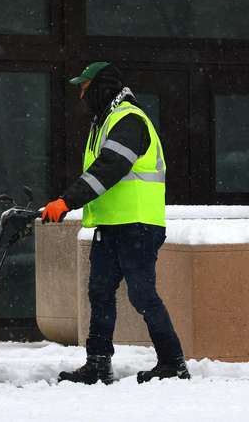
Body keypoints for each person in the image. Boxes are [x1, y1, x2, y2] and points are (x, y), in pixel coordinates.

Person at [41, 62, 190, 385]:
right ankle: (97, 363)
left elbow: (110, 168)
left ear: (102, 86)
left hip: (138, 224)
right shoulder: (105, 121)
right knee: (100, 292)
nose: (81, 94)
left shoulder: (129, 120)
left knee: (141, 294)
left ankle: (172, 362)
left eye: (85, 87)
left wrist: (67, 201)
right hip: (112, 226)